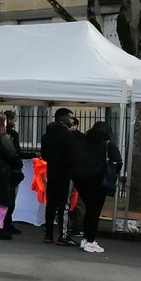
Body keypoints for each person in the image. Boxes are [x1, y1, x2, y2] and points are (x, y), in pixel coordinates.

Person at [70, 121, 122, 254]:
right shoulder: (108, 145)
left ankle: (86, 238)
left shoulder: (82, 141)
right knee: (94, 211)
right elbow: (118, 162)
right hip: (99, 181)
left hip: (81, 180)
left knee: (89, 208)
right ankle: (90, 240)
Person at [41, 107, 77, 245]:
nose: (72, 120)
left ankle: (49, 234)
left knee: (50, 204)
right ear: (61, 118)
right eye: (69, 117)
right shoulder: (68, 136)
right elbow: (72, 156)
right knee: (63, 205)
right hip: (65, 174)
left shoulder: (46, 136)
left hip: (52, 172)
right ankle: (63, 235)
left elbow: (44, 156)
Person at [1, 109, 27, 234]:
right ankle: (3, 223)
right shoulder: (1, 135)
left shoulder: (13, 134)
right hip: (7, 169)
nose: (15, 122)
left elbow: (17, 151)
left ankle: (7, 222)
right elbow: (14, 152)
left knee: (10, 199)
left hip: (10, 169)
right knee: (6, 198)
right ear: (9, 120)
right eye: (14, 120)